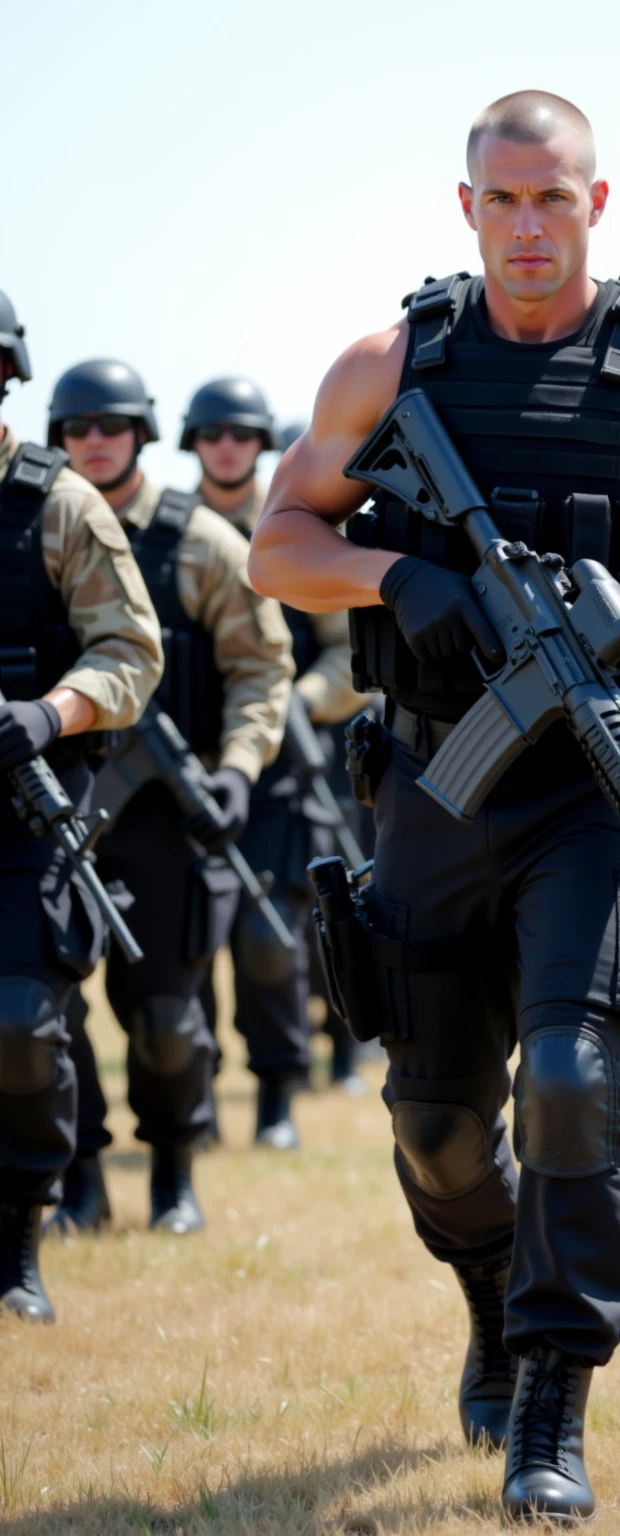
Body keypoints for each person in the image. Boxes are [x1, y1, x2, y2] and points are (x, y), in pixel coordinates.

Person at [248, 91, 620, 1522]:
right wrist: (402, 580)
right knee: (436, 1125)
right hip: (438, 783)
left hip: (596, 796)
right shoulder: (390, 366)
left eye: (552, 200)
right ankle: (496, 1294)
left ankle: (552, 1391)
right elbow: (277, 545)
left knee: (570, 1078)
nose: (528, 229)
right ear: (466, 210)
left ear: (598, 205)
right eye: (501, 202)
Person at [45, 359, 293, 1234]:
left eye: (113, 425)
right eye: (79, 429)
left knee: (165, 1021)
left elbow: (261, 673)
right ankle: (77, 1180)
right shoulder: (42, 525)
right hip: (57, 812)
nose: (96, 441)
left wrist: (235, 770)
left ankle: (172, 1177)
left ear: (144, 432)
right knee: (49, 1019)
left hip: (168, 826)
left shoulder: (204, 544)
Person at [0, 293, 163, 1319]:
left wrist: (48, 716)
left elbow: (132, 654)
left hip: (25, 805)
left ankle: (19, 1239)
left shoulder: (56, 504)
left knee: (20, 1022)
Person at [181, 378, 370, 1134]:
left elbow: (349, 653)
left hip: (284, 771)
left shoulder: (296, 527)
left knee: (271, 941)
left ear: (262, 446)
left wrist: (306, 701)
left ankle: (276, 1094)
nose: (227, 446)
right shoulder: (168, 530)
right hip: (185, 772)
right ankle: (194, 1097)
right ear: (192, 443)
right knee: (187, 940)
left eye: (242, 434)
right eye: (212, 433)